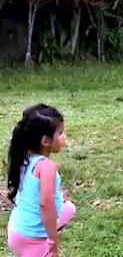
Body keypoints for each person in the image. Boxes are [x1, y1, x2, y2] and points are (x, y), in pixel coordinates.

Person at [6, 103, 76, 257]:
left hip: (16, 228)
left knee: (69, 208)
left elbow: (32, 191)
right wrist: (52, 239)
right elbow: (46, 204)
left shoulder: (24, 158)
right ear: (46, 141)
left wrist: (58, 196)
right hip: (31, 238)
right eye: (60, 133)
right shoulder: (47, 166)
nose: (64, 137)